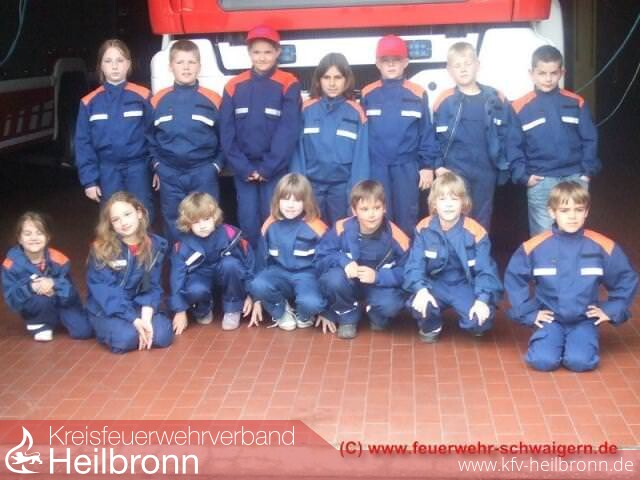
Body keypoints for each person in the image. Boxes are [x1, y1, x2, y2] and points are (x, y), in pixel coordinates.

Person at [505, 181, 638, 371]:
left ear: (586, 212)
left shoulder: (602, 246)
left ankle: (578, 342)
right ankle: (551, 341)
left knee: (580, 362)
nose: (572, 216)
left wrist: (610, 309)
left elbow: (626, 279)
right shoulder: (535, 247)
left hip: (584, 319)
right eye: (565, 210)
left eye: (578, 209)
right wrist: (529, 313)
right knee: (542, 361)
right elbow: (514, 278)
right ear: (552, 212)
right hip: (550, 318)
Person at [220, 25, 302, 247]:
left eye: (267, 52)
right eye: (257, 52)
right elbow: (226, 132)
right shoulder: (233, 86)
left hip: (273, 169)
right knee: (247, 219)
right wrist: (243, 168)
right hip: (244, 170)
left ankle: (273, 261)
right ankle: (251, 263)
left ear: (277, 52)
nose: (262, 57)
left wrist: (268, 167)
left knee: (273, 217)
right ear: (249, 53)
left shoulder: (288, 83)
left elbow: (288, 130)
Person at [509, 45, 600, 235]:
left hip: (575, 177)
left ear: (562, 73)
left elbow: (590, 139)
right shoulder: (519, 107)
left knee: (573, 230)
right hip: (541, 180)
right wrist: (523, 176)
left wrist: (587, 171)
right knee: (543, 235)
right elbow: (513, 146)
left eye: (553, 73)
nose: (548, 79)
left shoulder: (577, 102)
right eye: (542, 73)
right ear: (531, 74)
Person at [404, 172, 503, 343]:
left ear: (463, 203)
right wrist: (420, 290)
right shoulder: (423, 228)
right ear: (434, 203)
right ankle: (431, 325)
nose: (448, 204)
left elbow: (486, 270)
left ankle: (476, 315)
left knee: (479, 322)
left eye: (454, 199)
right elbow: (414, 265)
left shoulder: (476, 232)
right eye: (442, 199)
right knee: (421, 306)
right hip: (435, 284)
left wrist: (483, 300)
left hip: (464, 285)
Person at [360, 35, 439, 237]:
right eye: (385, 60)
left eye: (396, 60)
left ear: (406, 62)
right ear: (377, 64)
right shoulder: (368, 93)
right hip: (377, 167)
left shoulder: (418, 93)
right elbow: (361, 135)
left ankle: (406, 255)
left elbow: (426, 132)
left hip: (406, 167)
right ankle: (382, 254)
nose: (391, 64)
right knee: (377, 214)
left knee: (407, 216)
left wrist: (427, 166)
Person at [150, 40, 224, 245]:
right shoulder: (157, 100)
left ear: (199, 66)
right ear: (170, 66)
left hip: (203, 172)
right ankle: (179, 261)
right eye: (180, 62)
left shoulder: (213, 99)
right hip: (169, 173)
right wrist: (157, 165)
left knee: (207, 219)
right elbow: (149, 137)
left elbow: (225, 137)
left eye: (191, 62)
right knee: (174, 221)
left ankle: (209, 261)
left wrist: (216, 166)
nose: (186, 67)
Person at [432, 42, 512, 231]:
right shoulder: (444, 101)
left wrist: (506, 165)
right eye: (457, 65)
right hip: (455, 170)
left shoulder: (496, 97)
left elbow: (509, 134)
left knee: (482, 219)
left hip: (486, 170)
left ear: (478, 65)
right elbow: (433, 137)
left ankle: (479, 249)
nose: (463, 69)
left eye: (468, 64)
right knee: (454, 216)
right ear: (449, 70)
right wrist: (437, 165)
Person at [316, 180, 410, 339]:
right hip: (348, 283)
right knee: (333, 279)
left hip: (377, 286)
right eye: (364, 209)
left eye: (377, 208)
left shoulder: (397, 236)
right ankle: (347, 315)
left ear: (385, 208)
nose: (371, 214)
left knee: (390, 305)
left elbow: (408, 272)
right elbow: (321, 257)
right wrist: (344, 262)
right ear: (354, 211)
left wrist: (378, 277)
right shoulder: (341, 228)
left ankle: (375, 314)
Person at [75, 39, 155, 219]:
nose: (115, 66)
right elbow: (83, 144)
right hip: (107, 171)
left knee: (143, 215)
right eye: (108, 61)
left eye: (120, 60)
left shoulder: (143, 96)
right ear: (100, 66)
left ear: (128, 64)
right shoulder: (89, 102)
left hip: (138, 169)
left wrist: (157, 167)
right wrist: (89, 181)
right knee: (112, 218)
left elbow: (154, 134)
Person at [86, 192, 173, 353]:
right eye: (116, 219)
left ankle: (135, 327)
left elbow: (151, 285)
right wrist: (134, 319)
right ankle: (103, 327)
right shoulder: (101, 249)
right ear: (110, 225)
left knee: (162, 336)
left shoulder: (155, 245)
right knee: (126, 338)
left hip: (137, 304)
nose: (123, 222)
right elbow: (106, 292)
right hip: (109, 308)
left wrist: (145, 318)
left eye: (127, 214)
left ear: (139, 213)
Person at [290, 52, 369, 225]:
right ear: (319, 80)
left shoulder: (356, 112)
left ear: (346, 80)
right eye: (327, 77)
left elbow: (361, 158)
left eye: (338, 77)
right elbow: (297, 153)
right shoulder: (306, 110)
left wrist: (356, 193)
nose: (332, 83)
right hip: (311, 189)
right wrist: (299, 189)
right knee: (311, 232)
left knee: (341, 231)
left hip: (342, 190)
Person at [249, 173, 327, 331]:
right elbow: (261, 261)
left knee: (312, 303)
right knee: (257, 284)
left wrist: (327, 311)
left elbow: (327, 267)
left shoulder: (317, 227)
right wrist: (257, 299)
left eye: (297, 200)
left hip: (307, 276)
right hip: (278, 274)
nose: (290, 205)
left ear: (306, 202)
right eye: (285, 199)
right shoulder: (270, 224)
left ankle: (304, 314)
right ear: (277, 200)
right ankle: (281, 310)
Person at [170, 192, 255, 333]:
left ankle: (233, 308)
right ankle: (202, 308)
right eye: (196, 222)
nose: (202, 226)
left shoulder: (230, 234)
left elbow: (248, 264)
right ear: (187, 223)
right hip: (200, 276)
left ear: (215, 217)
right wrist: (180, 310)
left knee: (231, 265)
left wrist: (251, 295)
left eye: (206, 219)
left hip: (224, 272)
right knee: (195, 290)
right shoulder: (182, 246)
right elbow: (176, 278)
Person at [1, 212, 93, 342]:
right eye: (27, 234)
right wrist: (31, 287)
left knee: (84, 331)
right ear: (19, 238)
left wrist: (53, 284)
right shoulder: (11, 265)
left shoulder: (59, 260)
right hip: (37, 305)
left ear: (48, 237)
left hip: (60, 303)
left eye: (39, 233)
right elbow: (12, 299)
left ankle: (57, 319)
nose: (34, 238)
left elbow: (71, 292)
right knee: (41, 300)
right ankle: (39, 324)